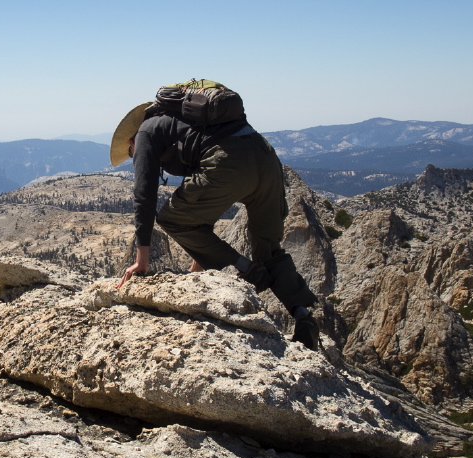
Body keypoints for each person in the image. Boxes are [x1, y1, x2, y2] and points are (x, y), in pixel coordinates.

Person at [111, 80, 321, 350]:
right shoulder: (186, 125)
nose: (134, 156)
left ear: (131, 140)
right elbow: (203, 205)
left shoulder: (145, 133)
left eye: (131, 154)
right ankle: (302, 314)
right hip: (266, 159)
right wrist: (199, 262)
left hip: (228, 163)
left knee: (172, 219)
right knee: (268, 248)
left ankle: (245, 269)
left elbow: (144, 193)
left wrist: (141, 260)